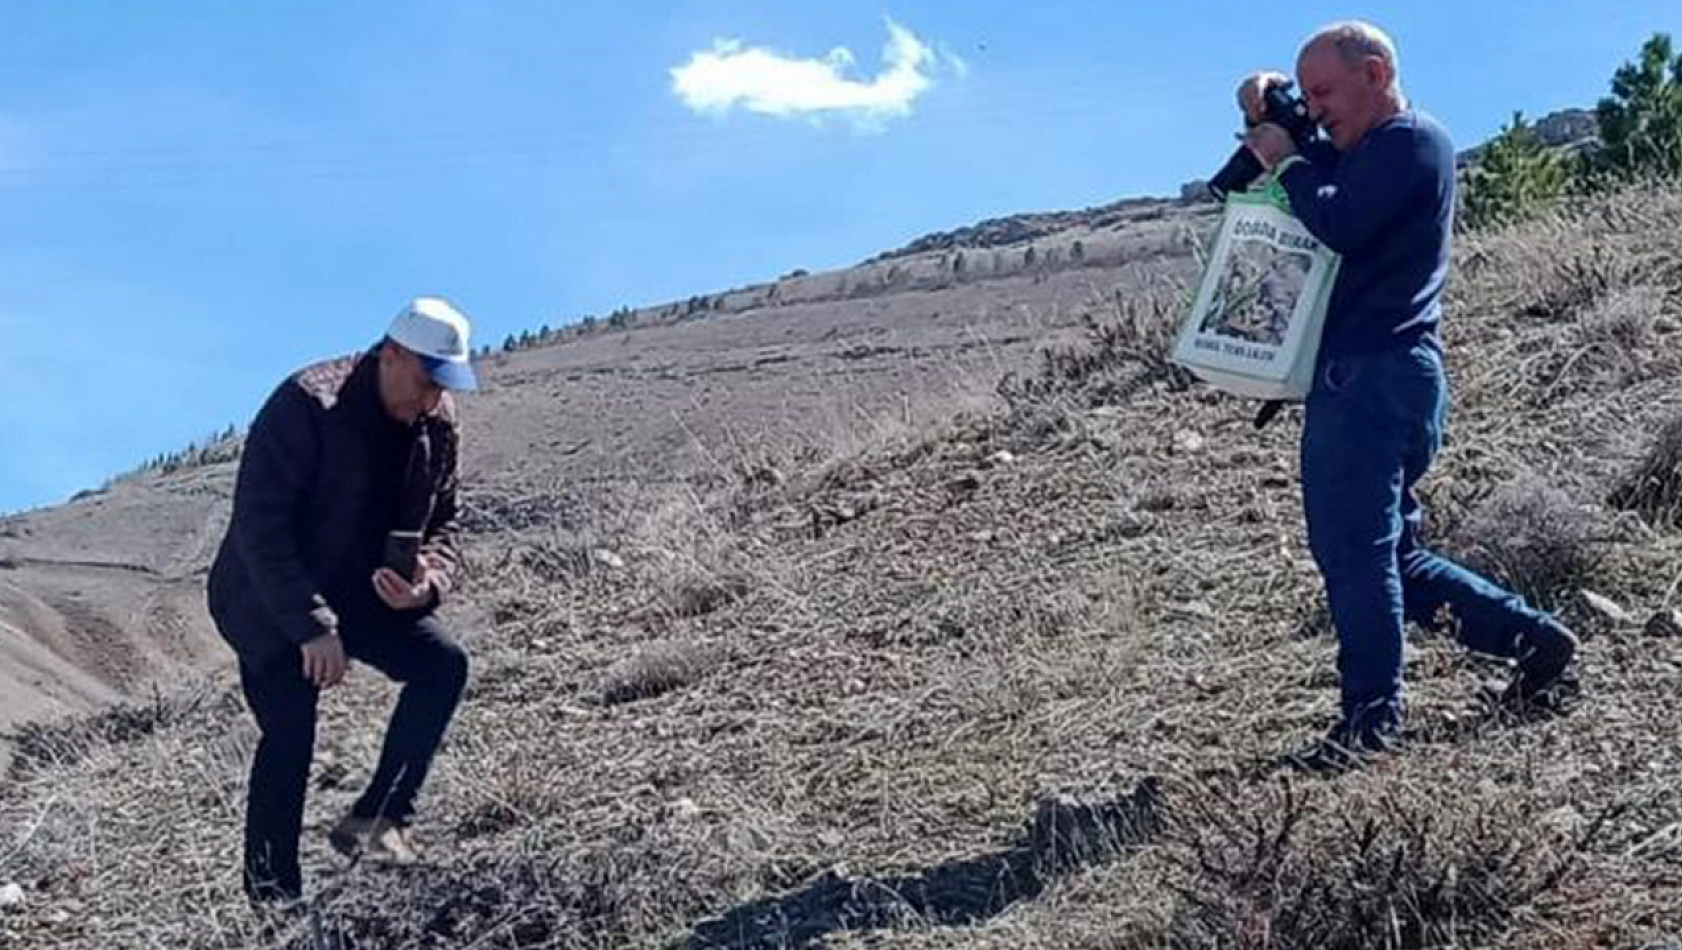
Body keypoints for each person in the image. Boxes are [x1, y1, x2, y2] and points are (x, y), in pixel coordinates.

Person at [1236, 22, 1578, 770]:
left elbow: (1338, 221)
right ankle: (1536, 643)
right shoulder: (1358, 155)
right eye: (1309, 96)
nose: (1316, 109)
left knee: (1356, 558)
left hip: (1374, 378)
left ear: (1377, 71)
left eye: (1324, 91)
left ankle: (1369, 729)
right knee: (1394, 559)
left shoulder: (1413, 142)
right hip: (1383, 380)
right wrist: (1266, 121)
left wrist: (1288, 155)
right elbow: (1314, 180)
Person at [207, 296, 477, 901]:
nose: (433, 397)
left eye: (445, 384)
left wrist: (426, 583)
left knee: (443, 666)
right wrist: (311, 625)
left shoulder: (439, 420)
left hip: (366, 591)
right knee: (290, 729)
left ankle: (378, 820)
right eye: (427, 378)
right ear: (392, 354)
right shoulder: (307, 404)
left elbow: (447, 523)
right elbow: (260, 523)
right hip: (268, 597)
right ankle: (273, 901)